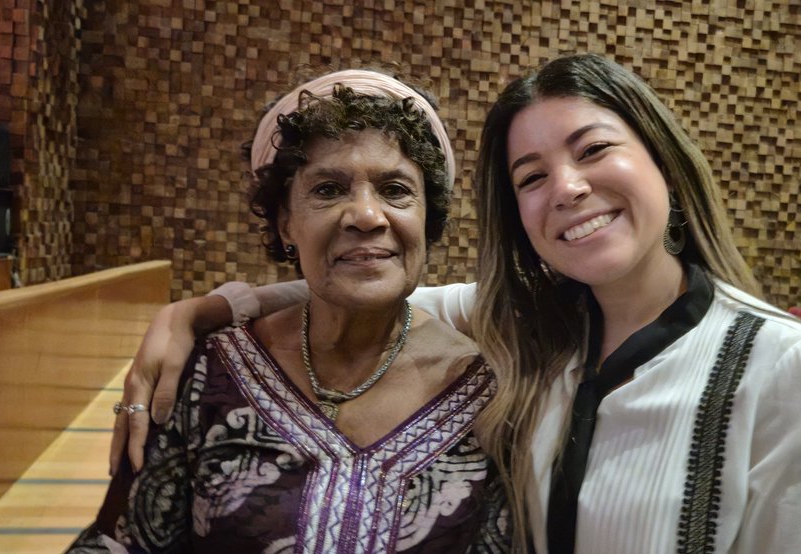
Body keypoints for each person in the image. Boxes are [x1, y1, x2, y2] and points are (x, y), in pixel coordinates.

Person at [116, 54, 801, 552]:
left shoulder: (788, 370)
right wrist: (206, 311)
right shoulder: (525, 326)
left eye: (592, 149)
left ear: (666, 164)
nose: (569, 189)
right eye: (532, 176)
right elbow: (365, 282)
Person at [71, 70, 509, 552]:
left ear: (429, 217)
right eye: (327, 190)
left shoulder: (490, 397)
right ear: (285, 223)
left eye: (395, 189)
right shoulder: (202, 376)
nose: (366, 215)